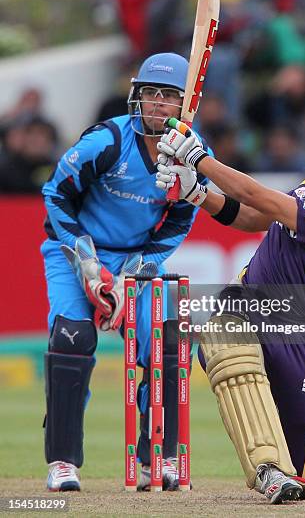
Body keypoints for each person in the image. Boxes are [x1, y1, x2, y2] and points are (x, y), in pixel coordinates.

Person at [155, 113, 305, 504]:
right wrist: (196, 194)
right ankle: (266, 469)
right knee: (229, 354)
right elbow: (254, 218)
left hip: (295, 330)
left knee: (304, 476)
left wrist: (200, 161)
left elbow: (257, 197)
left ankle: (292, 470)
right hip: (247, 302)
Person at [41, 52, 210, 492]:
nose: (157, 103)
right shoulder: (106, 141)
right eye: (150, 93)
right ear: (137, 96)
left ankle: (157, 454)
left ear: (184, 103)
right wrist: (91, 269)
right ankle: (63, 462)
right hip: (75, 250)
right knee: (71, 341)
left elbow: (179, 222)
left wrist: (130, 275)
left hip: (137, 257)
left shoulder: (194, 154)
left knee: (169, 345)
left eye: (168, 95)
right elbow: (55, 196)